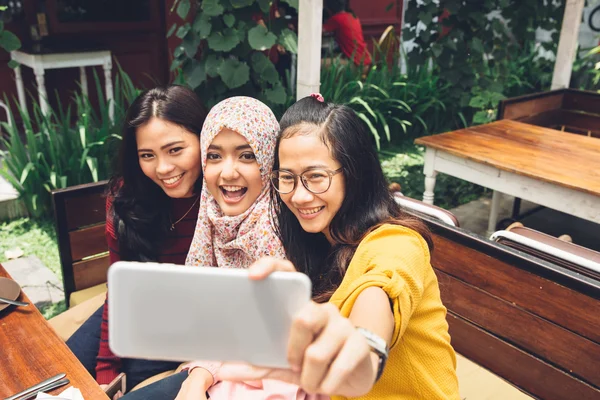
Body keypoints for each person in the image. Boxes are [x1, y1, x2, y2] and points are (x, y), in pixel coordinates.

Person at [214, 94, 460, 399]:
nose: (299, 196)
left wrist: (365, 352)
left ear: (354, 174)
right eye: (287, 178)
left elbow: (380, 290)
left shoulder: (396, 242)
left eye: (316, 177)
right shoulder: (314, 246)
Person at [121, 97, 322, 400]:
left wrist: (201, 374)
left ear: (269, 160)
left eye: (246, 156)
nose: (228, 172)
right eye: (214, 156)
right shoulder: (212, 212)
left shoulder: (278, 228)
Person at [66, 85, 207, 394]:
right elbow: (120, 288)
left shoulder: (223, 197)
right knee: (57, 368)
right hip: (139, 310)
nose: (163, 168)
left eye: (175, 149)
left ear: (204, 139)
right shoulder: (128, 197)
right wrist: (107, 368)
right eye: (147, 155)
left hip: (188, 330)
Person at [322, 0, 372, 67]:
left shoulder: (337, 18)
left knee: (317, 63)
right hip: (365, 61)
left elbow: (318, 31)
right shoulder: (353, 17)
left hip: (355, 64)